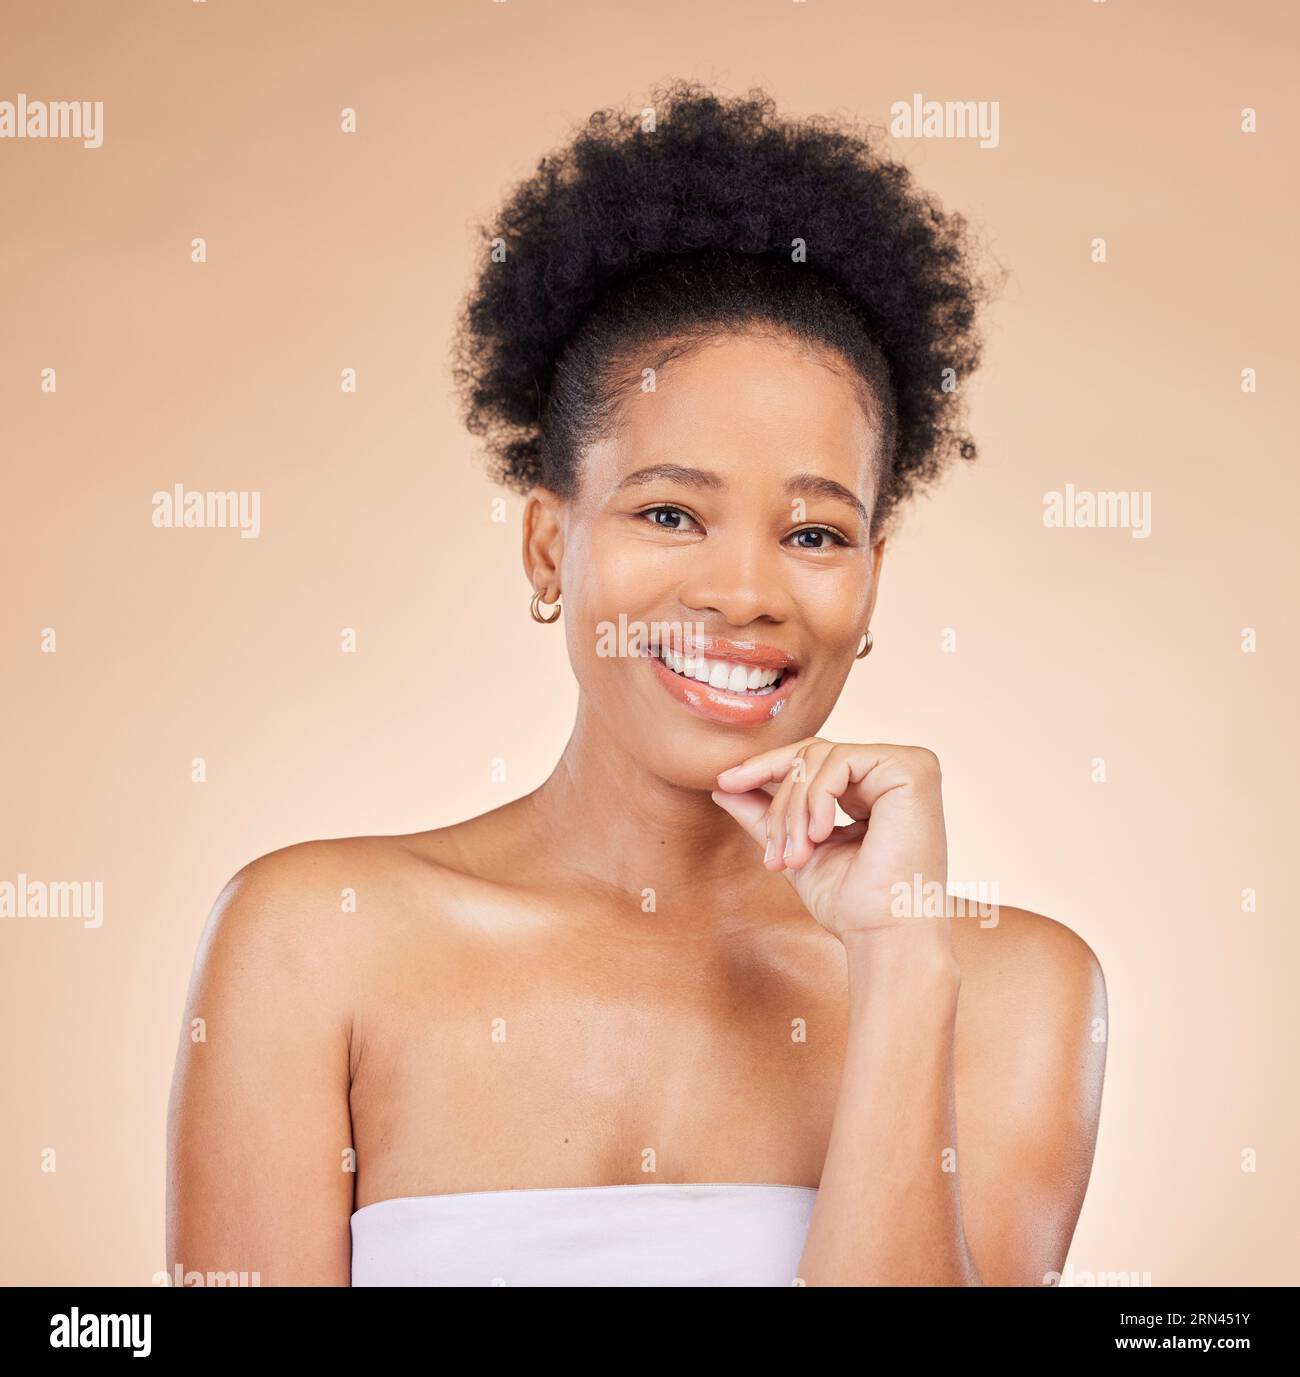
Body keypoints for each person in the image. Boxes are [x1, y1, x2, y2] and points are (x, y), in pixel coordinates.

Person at [167, 79, 1107, 1287]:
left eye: (814, 535)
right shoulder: (315, 938)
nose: (743, 591)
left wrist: (900, 966)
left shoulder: (1012, 988)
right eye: (671, 512)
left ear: (871, 578)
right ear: (549, 546)